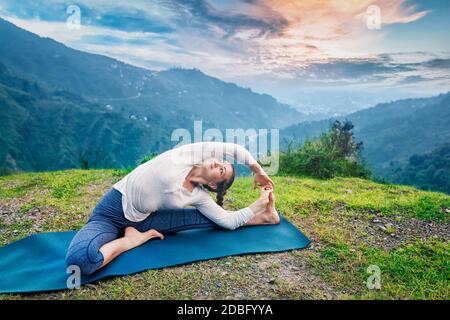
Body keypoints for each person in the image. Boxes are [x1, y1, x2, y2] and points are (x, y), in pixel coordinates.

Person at [65, 142, 280, 275]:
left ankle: (266, 217)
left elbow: (227, 221)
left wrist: (259, 204)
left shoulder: (199, 195)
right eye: (221, 161)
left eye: (222, 170)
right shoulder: (187, 155)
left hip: (146, 220)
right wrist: (257, 170)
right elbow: (235, 149)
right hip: (110, 214)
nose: (219, 163)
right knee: (80, 261)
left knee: (211, 219)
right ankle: (132, 240)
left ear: (213, 185)